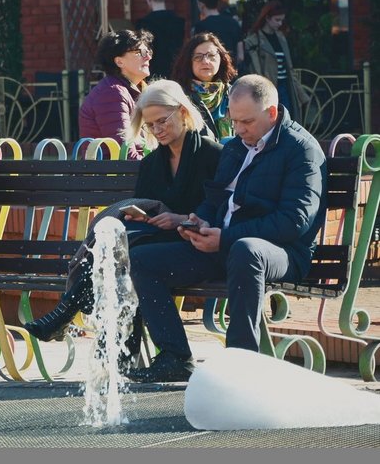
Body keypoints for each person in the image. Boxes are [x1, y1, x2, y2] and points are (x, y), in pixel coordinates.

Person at [127, 74, 326, 383]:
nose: (239, 129)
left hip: (282, 253)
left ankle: (240, 363)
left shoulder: (301, 150)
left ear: (272, 113)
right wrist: (200, 222)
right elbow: (215, 199)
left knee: (247, 250)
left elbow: (294, 221)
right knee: (141, 259)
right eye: (234, 121)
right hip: (224, 245)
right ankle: (175, 356)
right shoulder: (235, 147)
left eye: (247, 122)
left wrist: (226, 238)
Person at [24, 80, 223, 345]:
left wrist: (181, 219)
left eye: (162, 121)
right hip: (153, 240)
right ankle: (113, 347)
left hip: (194, 245)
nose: (157, 130)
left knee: (122, 254)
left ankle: (68, 314)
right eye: (150, 125)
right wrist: (140, 215)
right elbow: (146, 203)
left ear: (183, 112)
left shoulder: (212, 155)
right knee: (116, 246)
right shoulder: (152, 163)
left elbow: (219, 210)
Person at [78, 29, 152, 160]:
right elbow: (125, 154)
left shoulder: (136, 90)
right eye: (139, 52)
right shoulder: (112, 92)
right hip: (112, 172)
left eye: (148, 52)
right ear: (119, 62)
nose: (148, 57)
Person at [241, 0, 308, 120]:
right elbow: (255, 68)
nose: (280, 23)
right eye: (277, 20)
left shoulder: (281, 37)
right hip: (268, 85)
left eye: (281, 20)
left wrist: (299, 91)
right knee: (271, 119)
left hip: (285, 84)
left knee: (286, 118)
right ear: (267, 18)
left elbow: (289, 66)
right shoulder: (254, 40)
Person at [170, 32, 238, 141]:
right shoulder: (179, 96)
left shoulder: (233, 93)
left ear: (221, 58)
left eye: (211, 55)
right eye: (198, 57)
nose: (205, 61)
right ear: (188, 62)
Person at [136, 0, 186, 79]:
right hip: (175, 72)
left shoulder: (144, 23)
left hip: (153, 72)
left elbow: (143, 51)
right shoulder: (178, 21)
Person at [192, 0, 242, 66]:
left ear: (201, 4)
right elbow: (241, 56)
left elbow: (197, 55)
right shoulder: (233, 23)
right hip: (231, 70)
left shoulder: (200, 27)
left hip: (211, 70)